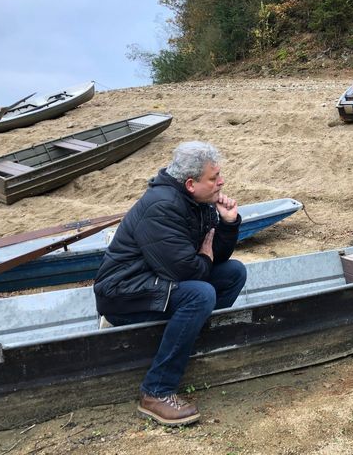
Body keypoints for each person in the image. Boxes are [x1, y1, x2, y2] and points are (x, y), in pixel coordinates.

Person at [94, 141, 247, 426]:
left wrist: (228, 223)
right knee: (200, 295)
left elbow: (216, 256)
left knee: (234, 274)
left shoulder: (199, 203)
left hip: (157, 281)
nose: (221, 182)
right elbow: (187, 271)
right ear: (190, 183)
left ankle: (186, 345)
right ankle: (156, 391)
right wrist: (204, 255)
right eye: (213, 178)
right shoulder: (162, 206)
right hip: (123, 292)